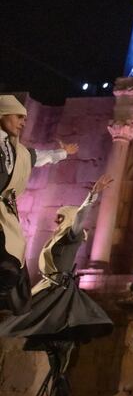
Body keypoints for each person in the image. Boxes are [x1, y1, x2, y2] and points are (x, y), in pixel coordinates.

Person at [0, 175, 113, 396]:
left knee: (55, 335)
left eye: (61, 216)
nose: (57, 219)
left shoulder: (71, 236)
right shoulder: (55, 238)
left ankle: (59, 381)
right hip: (47, 287)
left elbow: (81, 218)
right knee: (47, 335)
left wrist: (91, 197)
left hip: (60, 291)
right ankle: (59, 381)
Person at [0, 94, 78, 315]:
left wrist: (63, 153)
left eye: (25, 118)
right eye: (18, 117)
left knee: (12, 265)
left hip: (4, 215)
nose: (23, 123)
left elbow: (36, 157)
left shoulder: (17, 151)